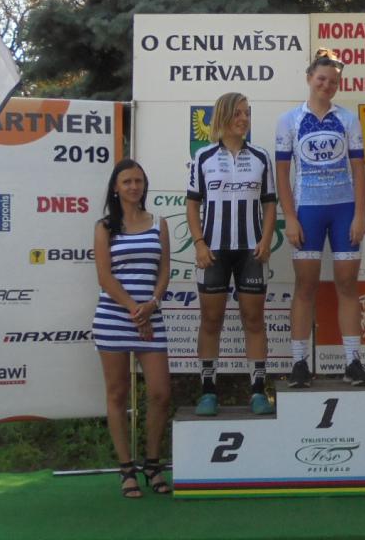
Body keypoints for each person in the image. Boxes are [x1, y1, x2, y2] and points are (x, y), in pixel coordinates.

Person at [275, 48, 365, 387]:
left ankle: (353, 362)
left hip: (344, 209)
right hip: (308, 211)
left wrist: (359, 216)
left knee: (347, 284)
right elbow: (281, 173)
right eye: (321, 79)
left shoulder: (347, 119)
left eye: (333, 82)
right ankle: (299, 362)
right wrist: (290, 218)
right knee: (305, 286)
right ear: (309, 78)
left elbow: (359, 171)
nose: (327, 86)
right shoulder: (289, 120)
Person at [186, 92, 278, 416]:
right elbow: (192, 203)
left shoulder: (261, 157)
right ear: (223, 116)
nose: (244, 119)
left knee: (254, 319)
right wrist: (199, 243)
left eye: (247, 113)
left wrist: (266, 239)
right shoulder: (203, 157)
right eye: (238, 113)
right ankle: (208, 391)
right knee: (211, 320)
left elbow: (270, 203)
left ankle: (258, 391)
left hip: (251, 250)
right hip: (213, 251)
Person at [92, 158, 172, 498]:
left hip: (150, 318)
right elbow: (104, 277)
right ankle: (126, 469)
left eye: (138, 181)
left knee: (160, 393)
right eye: (127, 181)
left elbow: (165, 270)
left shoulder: (159, 223)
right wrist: (133, 309)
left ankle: (152, 464)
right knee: (117, 394)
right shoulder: (104, 227)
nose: (133, 186)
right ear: (116, 187)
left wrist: (151, 304)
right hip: (115, 318)